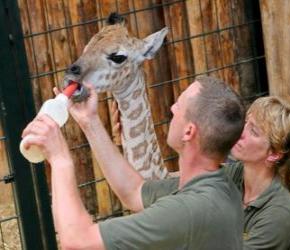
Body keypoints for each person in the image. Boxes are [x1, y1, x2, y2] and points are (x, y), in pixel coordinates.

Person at [21, 76, 245, 250]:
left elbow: (77, 242)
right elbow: (134, 192)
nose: (172, 109)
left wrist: (60, 161)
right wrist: (90, 121)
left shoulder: (189, 209)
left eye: (179, 105)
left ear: (189, 132)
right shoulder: (217, 185)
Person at [225, 96, 290, 249]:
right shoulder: (234, 174)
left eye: (253, 131)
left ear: (274, 154)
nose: (241, 132)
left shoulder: (280, 214)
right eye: (245, 123)